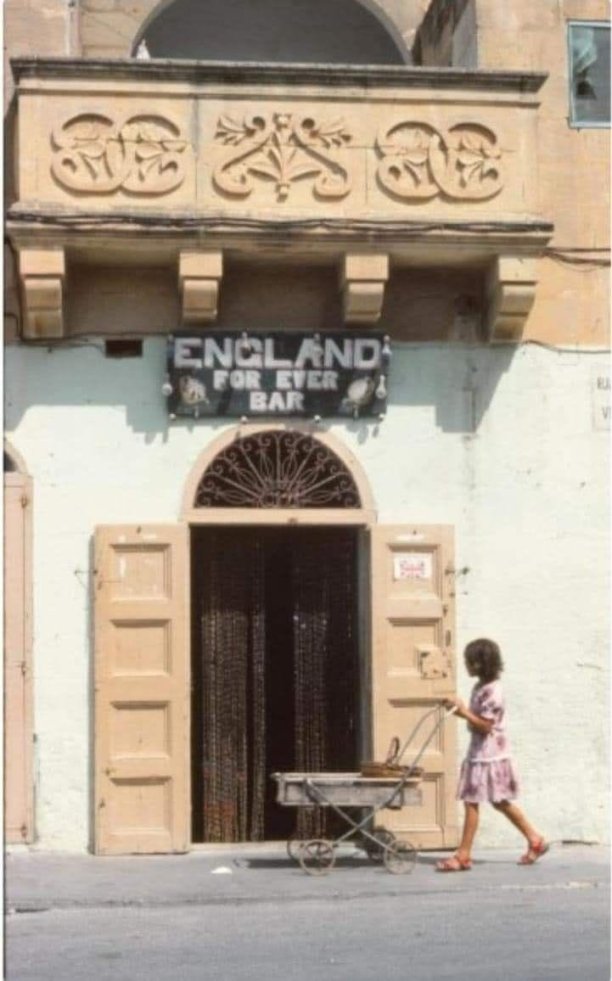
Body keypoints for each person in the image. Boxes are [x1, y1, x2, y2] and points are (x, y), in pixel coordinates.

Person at [437, 637, 548, 872]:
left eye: (469, 661)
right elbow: (476, 718)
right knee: (498, 801)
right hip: (482, 751)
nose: (466, 665)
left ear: (479, 664)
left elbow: (486, 725)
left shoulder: (493, 692)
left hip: (488, 755)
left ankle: (463, 855)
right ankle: (535, 839)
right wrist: (459, 708)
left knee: (472, 800)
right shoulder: (481, 687)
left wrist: (462, 711)